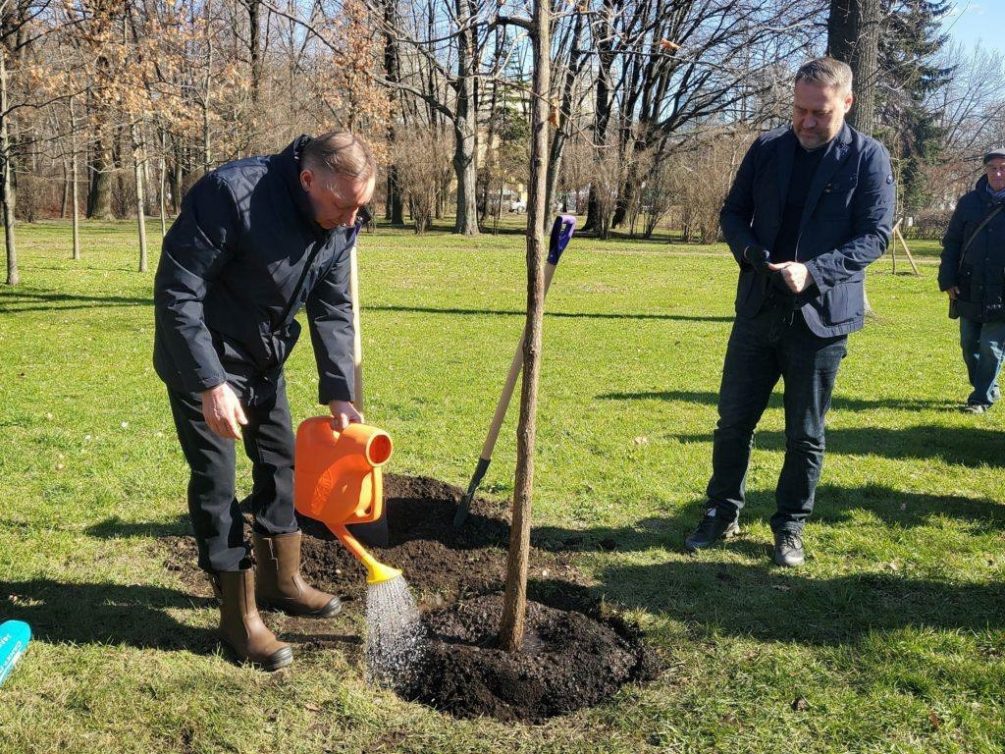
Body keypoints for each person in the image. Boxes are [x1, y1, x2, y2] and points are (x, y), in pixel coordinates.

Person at [153, 131, 376, 670]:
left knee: (281, 462)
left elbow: (333, 304)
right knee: (218, 479)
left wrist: (340, 392)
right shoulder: (230, 196)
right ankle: (239, 618)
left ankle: (284, 581)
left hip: (263, 361)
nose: (351, 220)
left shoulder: (340, 221)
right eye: (343, 205)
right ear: (308, 180)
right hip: (201, 358)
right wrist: (210, 384)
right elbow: (177, 292)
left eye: (360, 208)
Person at [684, 58, 895, 567]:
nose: (805, 121)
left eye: (818, 112)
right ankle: (721, 510)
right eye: (799, 109)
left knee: (805, 433)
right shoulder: (767, 148)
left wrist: (815, 271)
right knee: (733, 422)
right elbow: (733, 213)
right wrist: (752, 253)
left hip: (820, 318)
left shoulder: (869, 159)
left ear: (846, 103)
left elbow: (875, 235)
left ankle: (790, 525)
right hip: (758, 308)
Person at [938, 148, 1005, 414]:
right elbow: (952, 243)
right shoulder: (968, 203)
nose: (998, 173)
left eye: (1003, 168)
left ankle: (980, 398)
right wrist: (947, 278)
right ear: (985, 170)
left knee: (990, 347)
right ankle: (987, 385)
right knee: (969, 344)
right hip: (968, 286)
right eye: (993, 168)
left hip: (1001, 291)